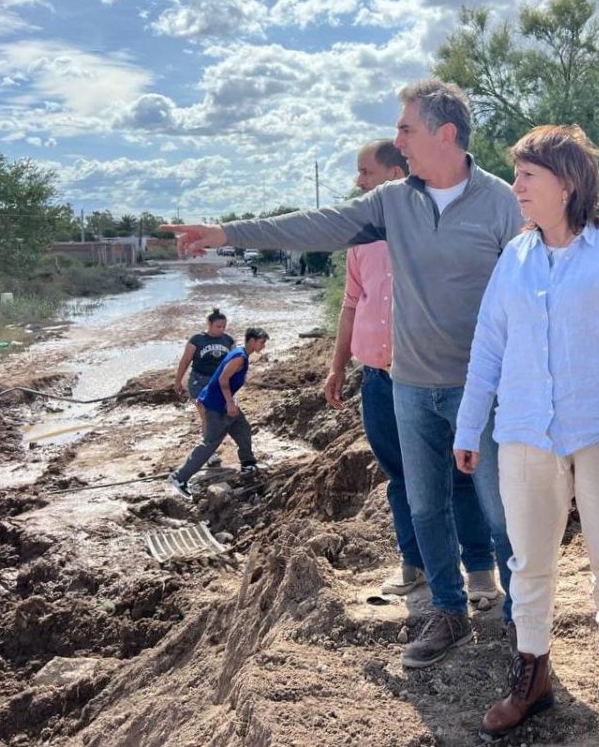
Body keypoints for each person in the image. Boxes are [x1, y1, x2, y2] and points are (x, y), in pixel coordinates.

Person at [163, 79, 523, 669]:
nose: (399, 140)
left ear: (446, 134)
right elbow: (318, 225)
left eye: (407, 128)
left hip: (481, 390)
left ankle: (520, 624)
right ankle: (448, 612)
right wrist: (230, 234)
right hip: (408, 384)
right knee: (426, 504)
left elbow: (534, 296)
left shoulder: (503, 202)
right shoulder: (393, 202)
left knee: (500, 505)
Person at [454, 124, 599, 739]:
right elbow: (489, 344)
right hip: (522, 435)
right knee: (529, 560)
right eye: (516, 176)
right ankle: (531, 673)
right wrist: (469, 426)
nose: (516, 188)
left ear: (566, 184)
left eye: (526, 176)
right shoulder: (512, 259)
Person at [324, 138, 499, 600]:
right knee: (402, 478)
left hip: (438, 376)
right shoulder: (361, 240)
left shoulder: (427, 231)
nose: (358, 182)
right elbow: (350, 303)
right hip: (379, 380)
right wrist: (337, 366)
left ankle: (479, 568)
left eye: (365, 172)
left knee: (462, 474)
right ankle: (415, 563)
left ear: (395, 174)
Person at [168, 327, 269, 501]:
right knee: (210, 443)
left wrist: (231, 401)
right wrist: (230, 402)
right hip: (216, 405)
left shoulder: (240, 354)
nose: (264, 346)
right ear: (252, 341)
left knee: (242, 427)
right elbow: (223, 379)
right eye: (262, 342)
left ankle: (248, 463)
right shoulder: (239, 357)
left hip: (224, 403)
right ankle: (179, 477)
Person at [173, 309, 236, 469]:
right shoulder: (197, 340)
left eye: (223, 326)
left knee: (222, 417)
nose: (221, 329)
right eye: (218, 326)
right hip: (199, 383)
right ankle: (210, 454)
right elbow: (185, 360)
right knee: (207, 416)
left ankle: (214, 445)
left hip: (220, 384)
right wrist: (178, 381)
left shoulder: (229, 340)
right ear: (209, 324)